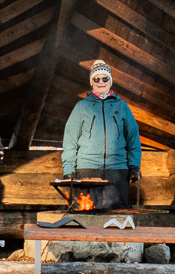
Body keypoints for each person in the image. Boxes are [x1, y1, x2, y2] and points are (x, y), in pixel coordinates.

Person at [60, 62, 141, 209]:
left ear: (110, 81)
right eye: (96, 79)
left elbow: (133, 138)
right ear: (92, 82)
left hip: (117, 168)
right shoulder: (81, 106)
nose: (101, 82)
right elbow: (70, 140)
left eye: (105, 78)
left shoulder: (121, 106)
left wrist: (134, 165)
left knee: (117, 213)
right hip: (87, 168)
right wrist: (69, 169)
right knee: (87, 212)